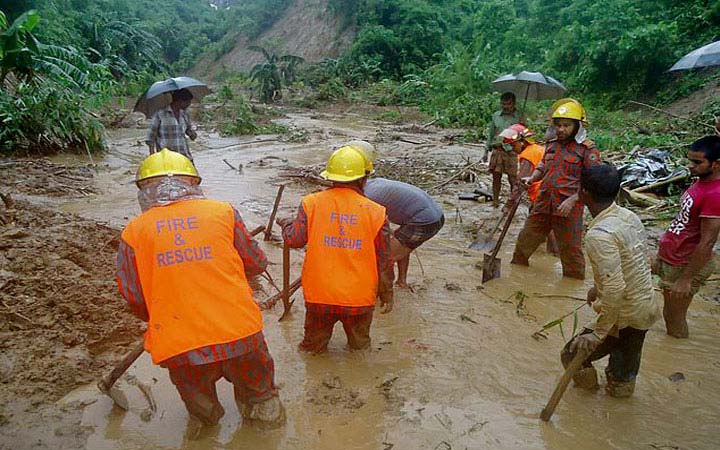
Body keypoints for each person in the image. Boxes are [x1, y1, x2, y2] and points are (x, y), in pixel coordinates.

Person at [116, 149, 283, 433]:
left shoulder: (134, 232)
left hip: (181, 347)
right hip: (240, 334)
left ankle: (205, 423)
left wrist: (163, 318)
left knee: (203, 417)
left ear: (144, 190)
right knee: (263, 402)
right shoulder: (223, 212)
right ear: (193, 183)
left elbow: (134, 297)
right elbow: (256, 263)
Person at [277, 146, 394, 353]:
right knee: (359, 352)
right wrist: (386, 292)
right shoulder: (376, 213)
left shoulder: (310, 203)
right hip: (359, 299)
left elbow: (294, 239)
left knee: (312, 351)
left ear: (330, 177)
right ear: (364, 179)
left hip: (319, 296)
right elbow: (383, 260)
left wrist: (287, 224)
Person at [561, 163, 659, 398]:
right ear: (617, 191)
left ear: (583, 193)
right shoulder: (628, 216)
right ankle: (617, 411)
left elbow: (615, 289)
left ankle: (586, 396)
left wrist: (597, 333)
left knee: (571, 354)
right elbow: (636, 261)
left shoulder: (599, 235)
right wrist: (598, 287)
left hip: (624, 313)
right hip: (644, 306)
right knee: (622, 374)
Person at [511, 100, 600, 279]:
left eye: (566, 125)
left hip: (568, 209)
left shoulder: (586, 150)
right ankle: (516, 276)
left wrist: (573, 199)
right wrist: (532, 178)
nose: (561, 129)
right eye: (558, 125)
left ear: (577, 126)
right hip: (543, 202)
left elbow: (592, 181)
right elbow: (543, 166)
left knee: (570, 252)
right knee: (524, 242)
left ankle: (572, 285)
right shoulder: (551, 144)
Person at [654, 135, 720, 338]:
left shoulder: (715, 195)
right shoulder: (701, 183)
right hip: (673, 256)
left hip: (684, 263)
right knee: (669, 312)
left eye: (697, 162)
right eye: (689, 160)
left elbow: (707, 241)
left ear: (716, 164)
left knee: (674, 317)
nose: (690, 166)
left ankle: (677, 351)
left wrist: (686, 279)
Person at [499, 124, 558, 254]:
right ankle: (550, 252)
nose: (513, 149)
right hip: (549, 192)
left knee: (542, 226)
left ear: (522, 142)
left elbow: (520, 183)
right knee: (548, 225)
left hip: (541, 194)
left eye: (513, 145)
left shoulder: (528, 155)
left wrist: (509, 204)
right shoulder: (537, 149)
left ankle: (553, 253)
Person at [485, 92, 526, 208]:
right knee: (496, 177)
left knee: (513, 179)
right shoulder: (496, 116)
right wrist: (486, 150)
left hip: (511, 151)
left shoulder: (519, 117)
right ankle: (495, 201)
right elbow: (491, 134)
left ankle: (513, 202)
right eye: (503, 104)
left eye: (508, 104)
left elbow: (525, 134)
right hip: (497, 149)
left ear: (513, 104)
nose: (506, 106)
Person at [146, 88, 198, 161]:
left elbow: (191, 134)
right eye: (187, 102)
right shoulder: (160, 114)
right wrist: (153, 157)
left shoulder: (185, 114)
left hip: (184, 157)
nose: (189, 104)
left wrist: (193, 134)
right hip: (166, 158)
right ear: (179, 101)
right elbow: (150, 138)